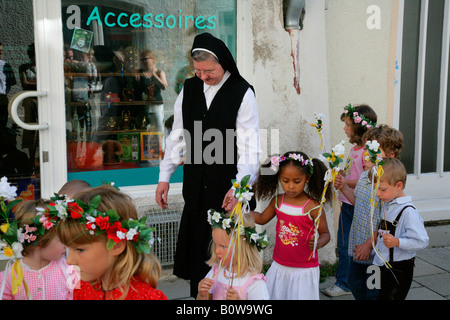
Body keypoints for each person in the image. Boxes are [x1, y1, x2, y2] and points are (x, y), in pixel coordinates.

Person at [155, 32, 261, 298]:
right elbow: (177, 135)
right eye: (198, 70)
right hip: (196, 188)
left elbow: (250, 148)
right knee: (197, 263)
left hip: (226, 188)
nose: (203, 76)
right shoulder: (189, 89)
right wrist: (164, 176)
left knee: (226, 258)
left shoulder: (242, 92)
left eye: (209, 70)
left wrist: (239, 188)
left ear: (223, 63)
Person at [57, 185, 167, 300]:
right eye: (68, 249)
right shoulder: (83, 288)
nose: (69, 261)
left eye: (80, 249)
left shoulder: (145, 297)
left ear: (116, 245)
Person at [334, 124, 404, 299]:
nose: (366, 154)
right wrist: (343, 187)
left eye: (374, 150)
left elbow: (386, 222)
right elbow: (358, 202)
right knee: (354, 281)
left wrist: (368, 245)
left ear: (390, 156)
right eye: (367, 148)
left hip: (375, 249)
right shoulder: (365, 176)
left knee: (373, 290)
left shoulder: (387, 187)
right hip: (358, 242)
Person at [251, 151, 332, 300]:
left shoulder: (313, 207)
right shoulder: (278, 201)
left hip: (304, 268)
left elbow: (326, 233)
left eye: (297, 181)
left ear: (307, 178)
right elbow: (262, 218)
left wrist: (319, 242)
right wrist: (242, 213)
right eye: (285, 180)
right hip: (280, 265)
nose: (290, 187)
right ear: (279, 178)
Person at [323, 104, 377, 297]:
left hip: (356, 205)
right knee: (345, 243)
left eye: (347, 124)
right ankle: (352, 280)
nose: (345, 128)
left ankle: (345, 283)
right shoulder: (355, 149)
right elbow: (352, 174)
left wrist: (345, 181)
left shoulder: (366, 153)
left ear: (359, 127)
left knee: (348, 245)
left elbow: (366, 179)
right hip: (347, 203)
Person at [372, 158, 429, 300]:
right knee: (373, 294)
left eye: (382, 189)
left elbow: (422, 241)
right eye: (376, 189)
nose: (378, 194)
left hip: (398, 268)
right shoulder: (388, 203)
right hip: (379, 263)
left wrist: (398, 242)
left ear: (399, 185)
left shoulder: (408, 212)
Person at [0, 199, 73, 300]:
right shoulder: (9, 276)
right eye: (61, 239)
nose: (67, 244)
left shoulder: (70, 270)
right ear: (37, 242)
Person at [197, 211, 269, 300]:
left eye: (223, 246)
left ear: (242, 249)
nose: (217, 251)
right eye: (216, 244)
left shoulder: (254, 283)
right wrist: (202, 295)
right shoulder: (216, 272)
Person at [135, 50, 168, 133]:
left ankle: (161, 146)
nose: (144, 62)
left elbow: (164, 86)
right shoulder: (139, 72)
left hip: (156, 105)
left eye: (146, 59)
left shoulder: (159, 72)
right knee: (145, 130)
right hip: (144, 106)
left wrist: (154, 75)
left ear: (152, 59)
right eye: (142, 60)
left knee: (159, 129)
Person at [0, 42, 17, 130]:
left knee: (2, 123)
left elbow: (10, 82)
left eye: (2, 50)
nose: (1, 53)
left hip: (2, 97)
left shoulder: (5, 65)